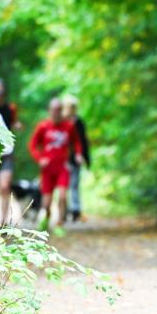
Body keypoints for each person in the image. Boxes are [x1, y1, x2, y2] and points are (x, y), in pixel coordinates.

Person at [28, 97, 84, 237]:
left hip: (62, 167)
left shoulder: (68, 126)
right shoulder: (43, 126)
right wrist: (40, 159)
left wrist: (78, 154)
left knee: (63, 196)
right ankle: (46, 218)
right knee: (46, 202)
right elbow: (32, 145)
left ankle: (59, 223)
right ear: (49, 111)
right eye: (54, 110)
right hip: (47, 169)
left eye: (59, 110)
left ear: (62, 111)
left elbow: (77, 142)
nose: (56, 113)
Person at [0, 78, 22, 226]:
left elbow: (13, 122)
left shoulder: (10, 108)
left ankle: (3, 223)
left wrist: (17, 125)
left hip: (6, 153)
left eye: (0, 92)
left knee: (5, 186)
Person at [61, 94, 91, 222]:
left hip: (75, 159)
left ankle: (75, 210)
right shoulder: (61, 121)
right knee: (63, 186)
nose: (72, 109)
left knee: (74, 184)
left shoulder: (79, 122)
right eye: (70, 106)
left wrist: (86, 158)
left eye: (74, 107)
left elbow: (83, 141)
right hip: (62, 159)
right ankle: (63, 210)